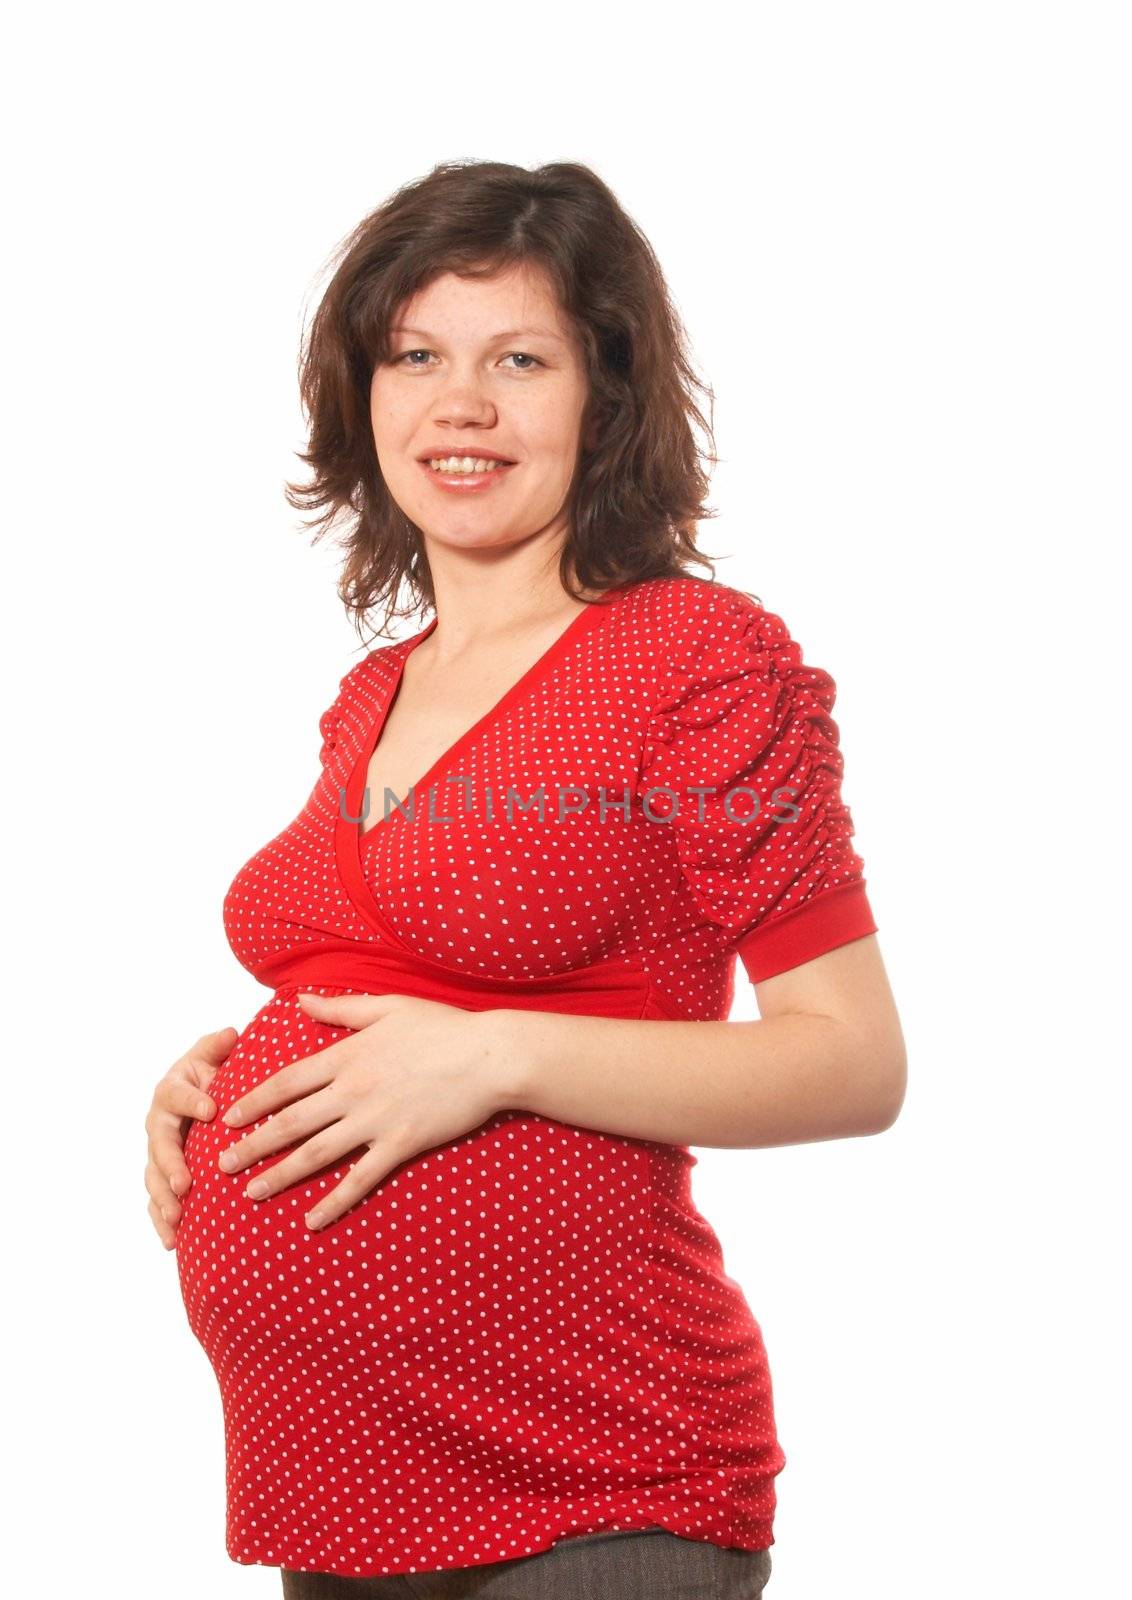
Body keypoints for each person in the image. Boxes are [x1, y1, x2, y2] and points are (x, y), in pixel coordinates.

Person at [143, 159, 906, 1598]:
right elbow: (388, 981)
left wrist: (491, 1061)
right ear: (361, 398)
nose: (461, 405)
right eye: (416, 356)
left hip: (597, 1482)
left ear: (604, 398)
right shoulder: (374, 693)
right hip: (343, 1492)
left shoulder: (696, 660)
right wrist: (234, 1081)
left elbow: (854, 1065)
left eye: (520, 360)